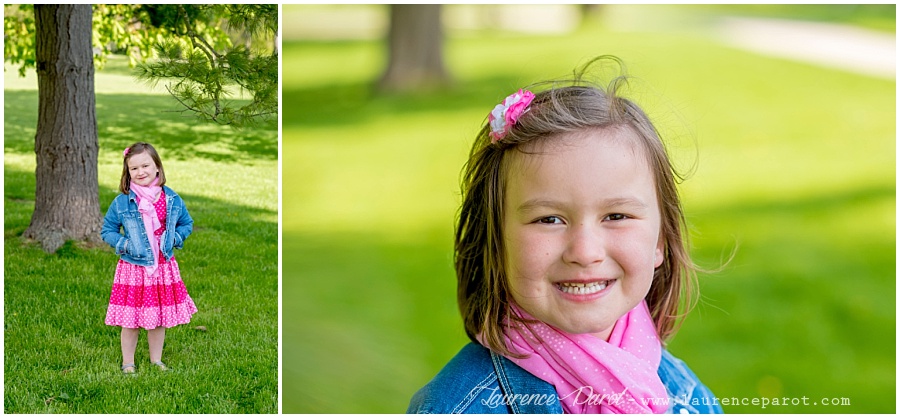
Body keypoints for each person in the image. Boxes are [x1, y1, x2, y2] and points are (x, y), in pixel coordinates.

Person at [408, 58, 722, 414]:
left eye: (616, 216)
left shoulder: (688, 395)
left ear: (660, 242)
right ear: (496, 242)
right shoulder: (460, 407)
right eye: (550, 219)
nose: (585, 252)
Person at [101, 142, 198, 375]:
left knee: (159, 318)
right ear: (128, 173)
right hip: (133, 268)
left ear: (157, 168)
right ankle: (128, 362)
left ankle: (156, 360)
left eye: (145, 165)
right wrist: (125, 244)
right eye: (134, 168)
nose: (140, 171)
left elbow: (187, 223)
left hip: (162, 266)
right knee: (130, 319)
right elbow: (108, 230)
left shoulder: (171, 199)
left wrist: (174, 238)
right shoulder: (122, 202)